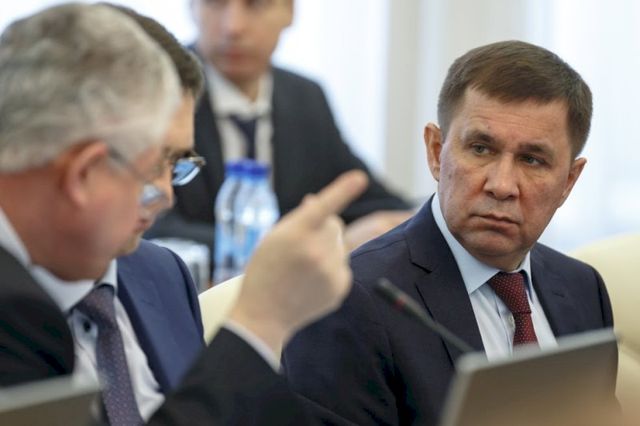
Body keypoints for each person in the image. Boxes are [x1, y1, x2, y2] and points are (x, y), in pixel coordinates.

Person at [0, 3, 368, 425]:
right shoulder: (16, 313)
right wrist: (258, 324)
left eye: (177, 163)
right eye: (151, 164)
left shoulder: (160, 274)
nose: (165, 194)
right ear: (83, 172)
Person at [283, 40, 616, 425]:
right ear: (436, 150)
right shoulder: (348, 301)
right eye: (481, 149)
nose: (502, 185)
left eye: (532, 160)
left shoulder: (582, 288)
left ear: (569, 181)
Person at [146, 0, 413, 253]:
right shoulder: (156, 92)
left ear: (290, 11)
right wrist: (300, 245)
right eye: (215, 3)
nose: (233, 27)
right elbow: (150, 224)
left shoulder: (305, 97)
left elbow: (374, 200)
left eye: (256, 4)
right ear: (192, 8)